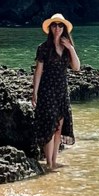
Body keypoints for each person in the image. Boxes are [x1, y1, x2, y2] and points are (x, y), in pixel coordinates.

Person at [32, 12, 81, 171]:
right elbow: (38, 72)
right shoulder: (43, 48)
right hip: (47, 91)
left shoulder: (67, 48)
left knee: (59, 127)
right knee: (49, 127)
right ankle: (49, 163)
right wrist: (35, 93)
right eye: (54, 25)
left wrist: (71, 48)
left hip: (62, 91)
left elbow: (76, 67)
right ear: (50, 28)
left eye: (60, 25)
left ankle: (53, 160)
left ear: (64, 28)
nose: (57, 28)